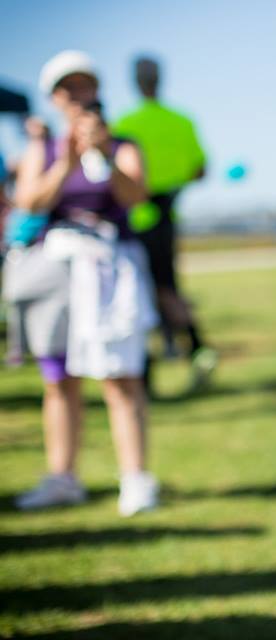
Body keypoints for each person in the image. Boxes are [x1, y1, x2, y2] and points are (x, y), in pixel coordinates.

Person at [12, 50, 159, 516]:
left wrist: (99, 154)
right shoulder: (46, 147)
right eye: (67, 89)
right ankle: (62, 477)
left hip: (110, 266)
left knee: (120, 377)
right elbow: (29, 202)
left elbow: (136, 195)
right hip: (58, 270)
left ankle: (136, 479)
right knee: (59, 379)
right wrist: (65, 163)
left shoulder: (122, 143)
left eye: (84, 86)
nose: (77, 96)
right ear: (54, 98)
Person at [112, 55, 216, 392]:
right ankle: (194, 347)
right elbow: (200, 169)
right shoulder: (181, 121)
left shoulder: (125, 123)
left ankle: (150, 366)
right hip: (167, 215)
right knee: (166, 286)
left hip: (136, 221)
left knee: (145, 291)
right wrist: (172, 186)